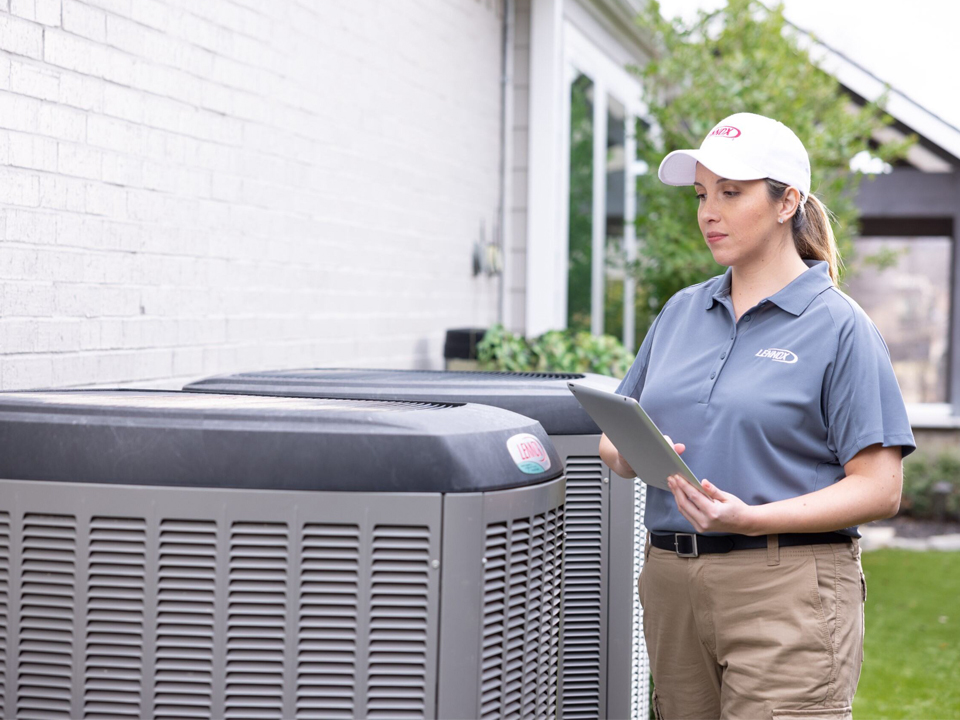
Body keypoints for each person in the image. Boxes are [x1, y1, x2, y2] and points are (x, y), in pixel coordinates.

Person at [599, 112, 915, 720]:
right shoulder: (681, 313)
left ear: (786, 201)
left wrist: (750, 518)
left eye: (731, 193)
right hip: (671, 580)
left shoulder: (840, 327)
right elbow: (618, 440)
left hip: (785, 585)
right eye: (701, 194)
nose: (708, 212)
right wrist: (635, 448)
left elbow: (881, 487)